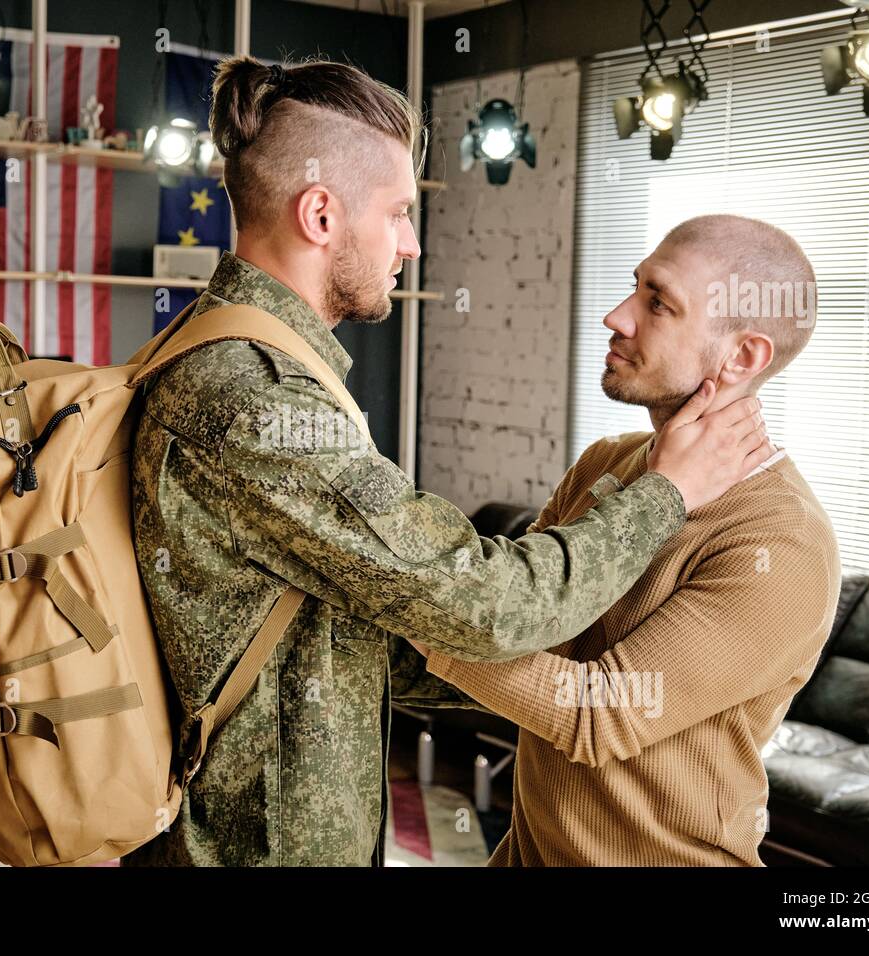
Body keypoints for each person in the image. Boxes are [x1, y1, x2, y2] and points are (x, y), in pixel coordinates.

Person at [121, 58, 772, 867]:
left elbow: (342, 631)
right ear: (321, 214)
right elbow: (487, 606)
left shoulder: (221, 351)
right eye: (398, 213)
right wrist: (666, 491)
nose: (414, 243)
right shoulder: (261, 399)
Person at [413, 215, 841, 866]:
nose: (616, 316)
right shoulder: (605, 463)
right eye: (632, 288)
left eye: (658, 303)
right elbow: (519, 624)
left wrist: (413, 605)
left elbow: (597, 715)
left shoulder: (782, 541)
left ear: (743, 356)